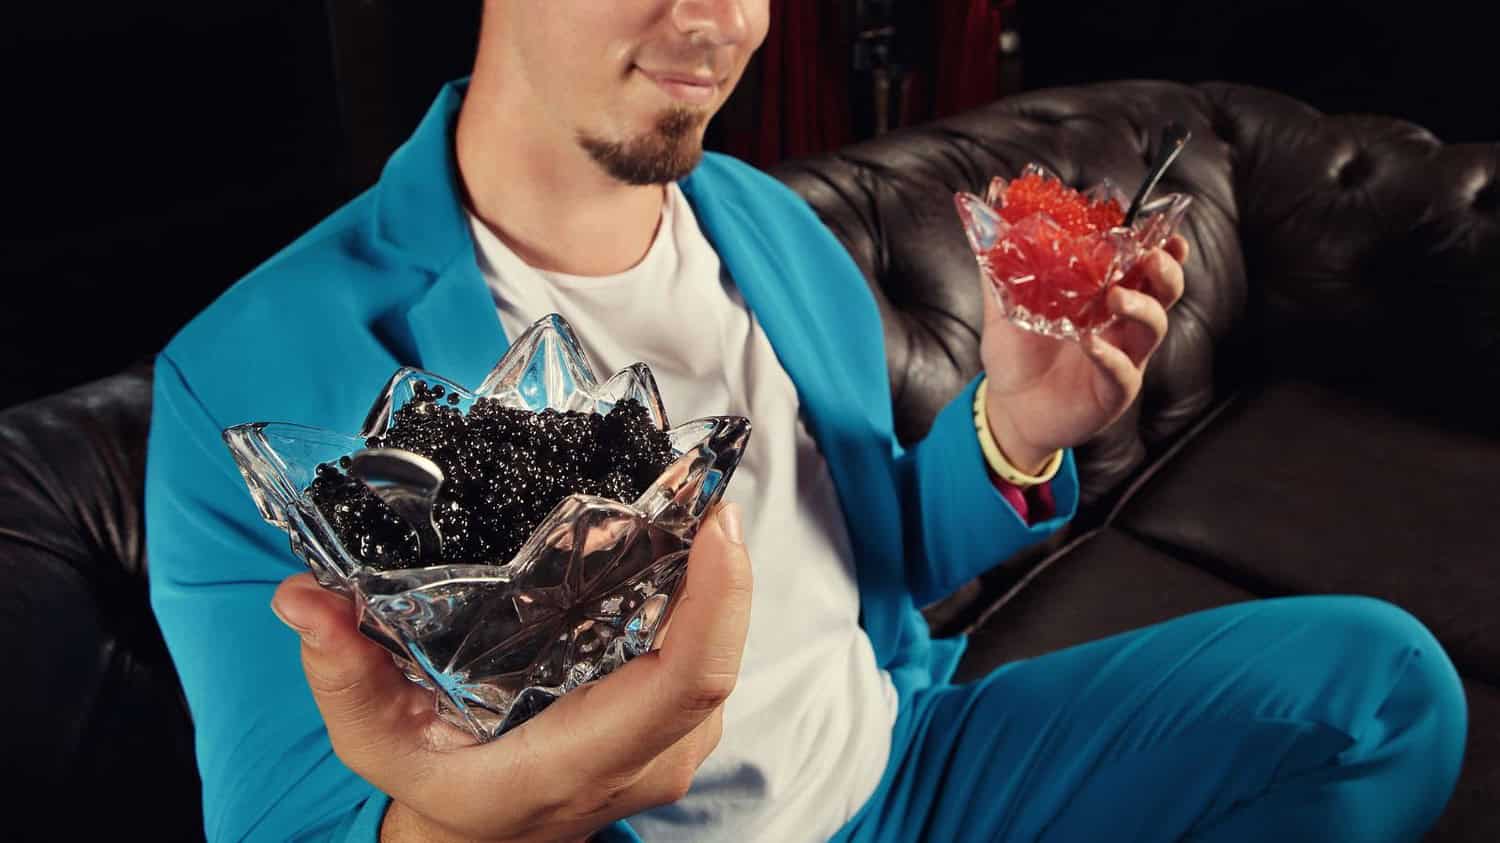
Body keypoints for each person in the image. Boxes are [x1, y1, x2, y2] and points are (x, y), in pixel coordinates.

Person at [145, 2, 1467, 841]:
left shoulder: (763, 220)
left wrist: (1016, 427)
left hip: (913, 764)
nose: (719, 19)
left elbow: (871, 559)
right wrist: (487, 821)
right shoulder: (250, 375)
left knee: (1378, 688)